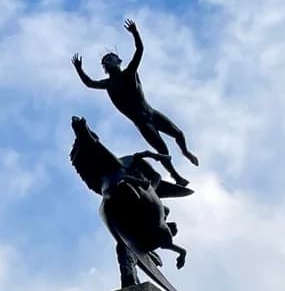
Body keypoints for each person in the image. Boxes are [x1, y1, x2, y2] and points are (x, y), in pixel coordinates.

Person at [72, 20, 198, 187]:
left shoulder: (130, 72)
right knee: (163, 151)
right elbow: (89, 83)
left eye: (110, 58)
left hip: (151, 113)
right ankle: (175, 176)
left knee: (179, 134)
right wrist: (79, 68)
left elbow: (140, 50)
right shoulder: (108, 84)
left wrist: (135, 32)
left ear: (118, 61)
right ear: (105, 68)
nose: (108, 62)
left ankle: (185, 152)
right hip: (142, 122)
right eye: (105, 62)